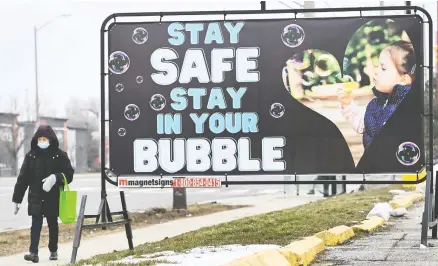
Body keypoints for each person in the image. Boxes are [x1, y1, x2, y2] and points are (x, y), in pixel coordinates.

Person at [337, 40, 416, 150]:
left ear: (403, 79)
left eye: (383, 68)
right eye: (377, 66)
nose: (375, 71)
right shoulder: (376, 104)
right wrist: (348, 104)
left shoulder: (409, 108)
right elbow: (364, 124)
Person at [12, 125, 74, 263]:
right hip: (36, 196)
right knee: (35, 224)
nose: (42, 141)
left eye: (44, 138)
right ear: (36, 140)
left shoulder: (60, 155)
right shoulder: (31, 155)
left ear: (50, 140)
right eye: (39, 139)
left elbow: (69, 175)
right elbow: (23, 178)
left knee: (53, 224)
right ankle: (33, 252)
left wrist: (55, 178)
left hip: (52, 197)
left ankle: (53, 250)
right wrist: (17, 199)